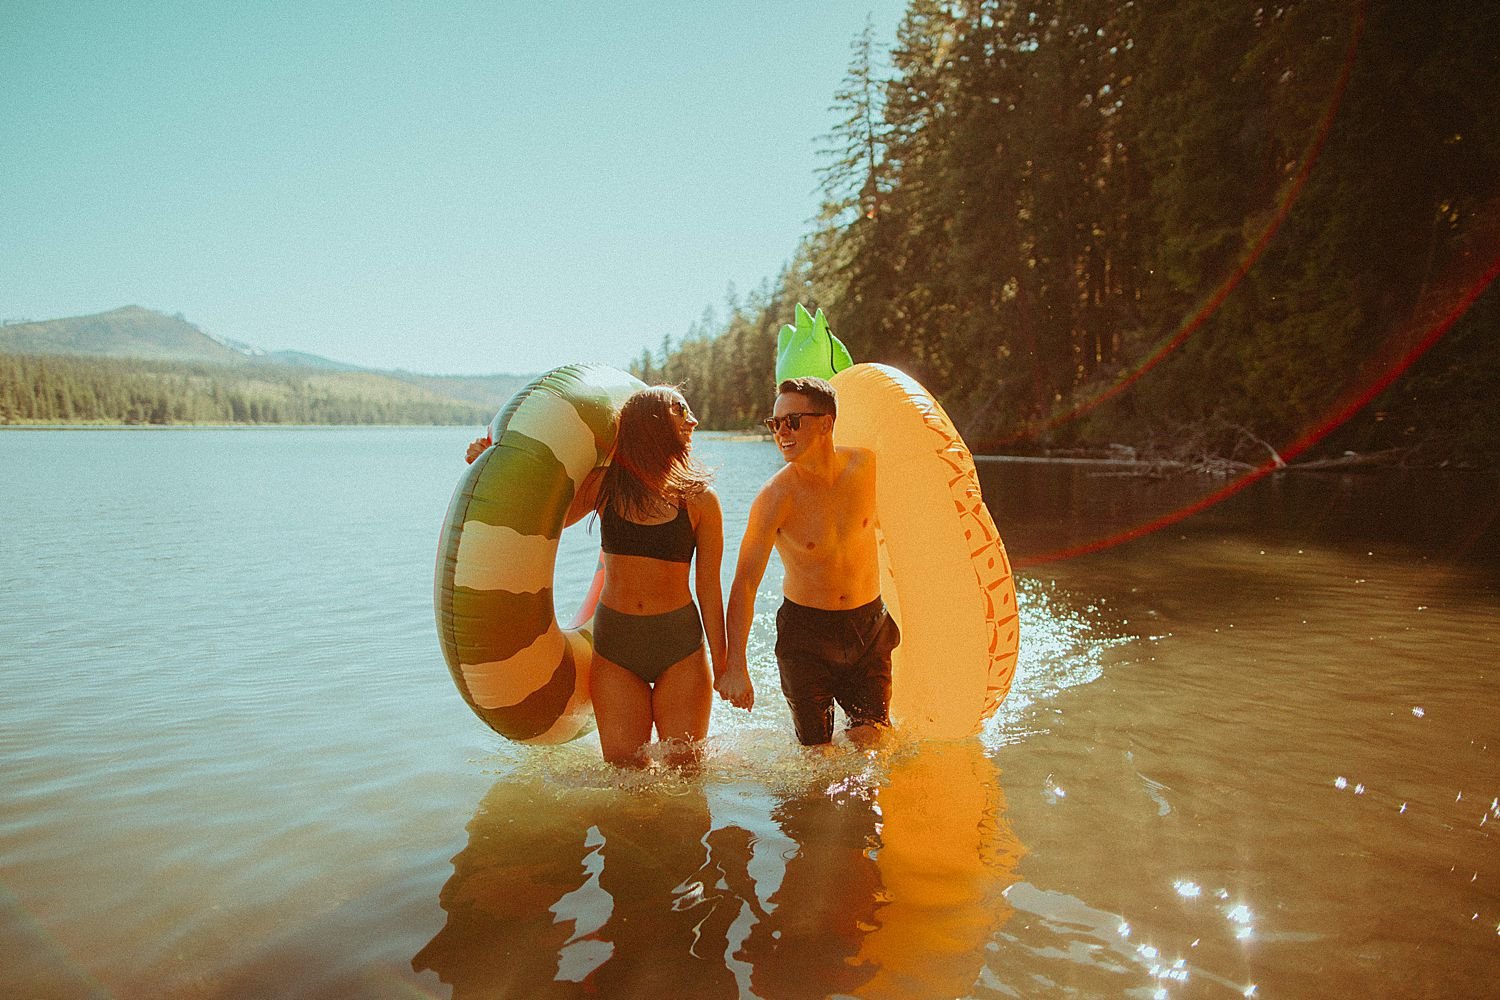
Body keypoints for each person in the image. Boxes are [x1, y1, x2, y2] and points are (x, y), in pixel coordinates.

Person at [467, 386, 726, 766]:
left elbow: (709, 588)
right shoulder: (607, 487)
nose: (693, 421)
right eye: (680, 411)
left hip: (680, 647)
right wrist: (490, 467)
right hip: (617, 647)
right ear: (651, 422)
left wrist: (726, 666)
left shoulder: (701, 499)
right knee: (624, 775)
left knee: (686, 773)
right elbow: (537, 516)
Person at [717, 376, 899, 746]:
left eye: (792, 421)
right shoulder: (774, 498)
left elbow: (912, 528)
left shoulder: (868, 467)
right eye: (775, 424)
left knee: (873, 745)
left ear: (826, 423)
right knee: (818, 760)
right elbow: (746, 583)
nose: (781, 432)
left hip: (869, 628)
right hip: (806, 638)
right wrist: (735, 664)